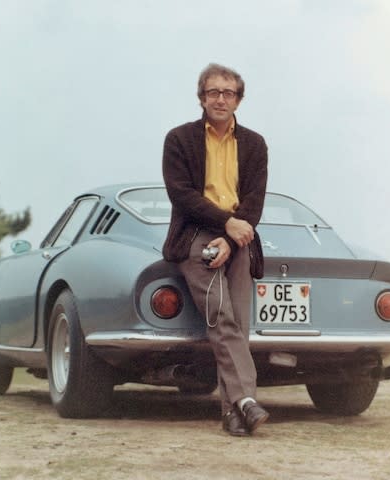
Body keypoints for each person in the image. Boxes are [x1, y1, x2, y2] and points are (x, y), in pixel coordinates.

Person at [162, 63, 269, 436]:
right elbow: (182, 195)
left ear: (239, 99)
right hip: (194, 235)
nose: (220, 99)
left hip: (238, 238)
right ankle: (247, 401)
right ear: (201, 97)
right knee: (221, 316)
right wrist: (223, 225)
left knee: (238, 322)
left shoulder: (254, 144)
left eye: (228, 93)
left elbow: (254, 200)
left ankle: (234, 412)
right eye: (213, 92)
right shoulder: (179, 139)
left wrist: (230, 236)